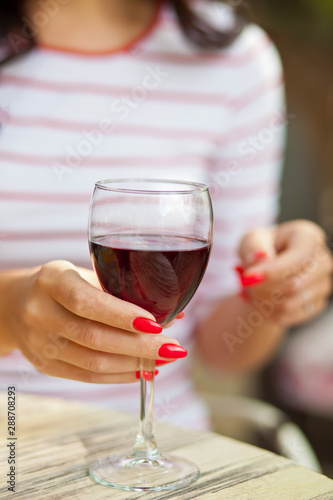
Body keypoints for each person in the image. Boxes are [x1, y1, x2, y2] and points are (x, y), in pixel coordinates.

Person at [0, 0, 332, 430]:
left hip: (168, 448)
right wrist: (9, 312)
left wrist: (271, 292)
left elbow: (224, 352)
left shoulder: (235, 58)